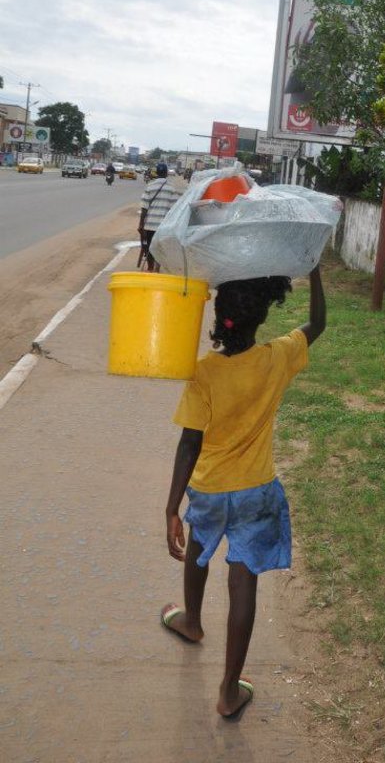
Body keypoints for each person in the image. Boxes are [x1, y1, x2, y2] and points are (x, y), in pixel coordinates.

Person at [160, 265, 326, 718]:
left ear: (218, 317)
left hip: (210, 490)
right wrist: (314, 274)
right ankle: (229, 692)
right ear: (260, 319)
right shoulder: (278, 356)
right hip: (257, 491)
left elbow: (189, 441)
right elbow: (318, 325)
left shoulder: (203, 373)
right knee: (243, 582)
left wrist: (173, 505)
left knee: (198, 549)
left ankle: (192, 623)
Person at [138, 161, 181, 271]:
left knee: (149, 247)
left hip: (149, 225)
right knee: (160, 248)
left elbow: (144, 207)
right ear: (166, 173)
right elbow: (173, 209)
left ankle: (150, 267)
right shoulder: (172, 188)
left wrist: (141, 224)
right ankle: (157, 267)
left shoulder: (150, 186)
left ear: (156, 173)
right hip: (163, 226)